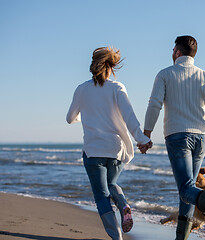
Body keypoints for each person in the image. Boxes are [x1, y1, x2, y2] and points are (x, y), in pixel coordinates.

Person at [142, 36, 205, 240]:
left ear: (177, 51)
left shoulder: (165, 74)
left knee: (186, 190)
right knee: (189, 188)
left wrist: (146, 134)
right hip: (202, 137)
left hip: (177, 136)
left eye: (173, 49)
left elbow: (154, 104)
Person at [66, 47, 152, 240]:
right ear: (112, 67)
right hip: (116, 148)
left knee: (101, 196)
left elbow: (70, 118)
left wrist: (84, 116)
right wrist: (142, 139)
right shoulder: (117, 87)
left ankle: (116, 237)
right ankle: (123, 205)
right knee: (112, 183)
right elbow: (130, 117)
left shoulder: (82, 89)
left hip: (93, 150)